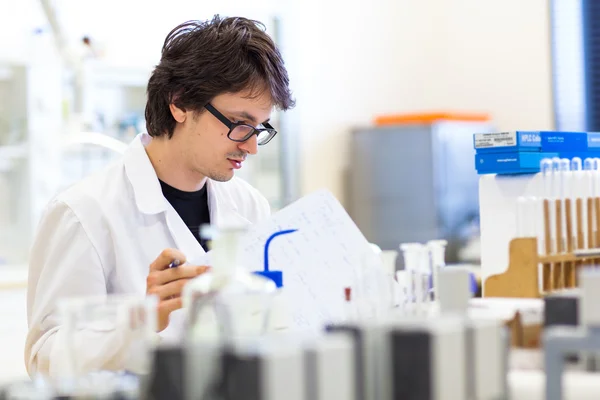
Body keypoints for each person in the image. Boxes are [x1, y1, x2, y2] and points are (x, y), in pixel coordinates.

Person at [25, 15, 294, 378]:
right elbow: (45, 360)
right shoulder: (83, 212)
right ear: (180, 103)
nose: (251, 146)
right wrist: (139, 319)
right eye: (238, 124)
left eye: (259, 128)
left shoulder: (248, 205)